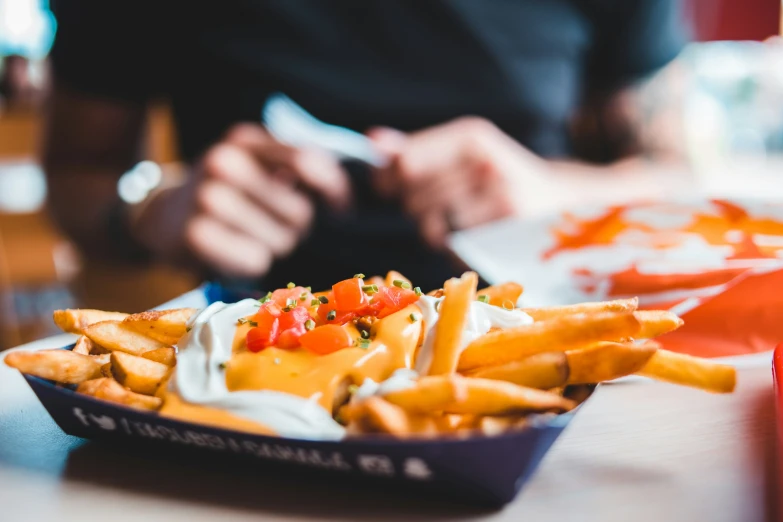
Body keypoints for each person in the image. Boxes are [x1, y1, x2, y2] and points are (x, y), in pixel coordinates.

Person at [43, 0, 688, 292]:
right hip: (248, 378)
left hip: (552, 363)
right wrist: (154, 207)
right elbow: (75, 171)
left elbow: (679, 175)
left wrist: (558, 199)